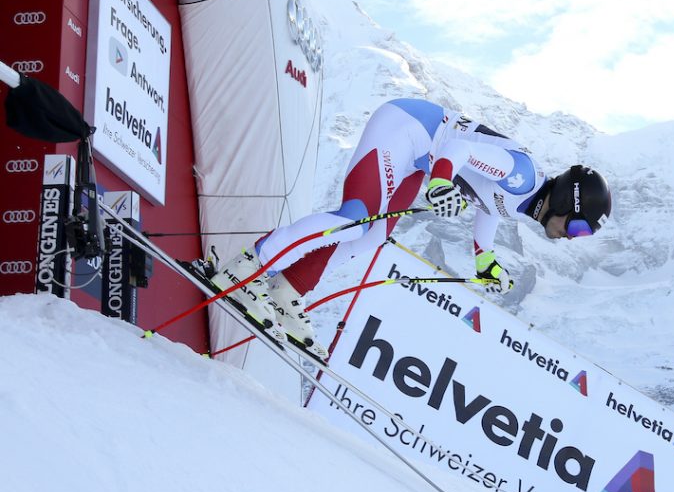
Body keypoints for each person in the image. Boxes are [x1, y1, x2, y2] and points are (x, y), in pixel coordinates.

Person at [208, 98, 612, 358]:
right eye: (577, 228)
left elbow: (488, 206)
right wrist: (441, 182)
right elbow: (460, 150)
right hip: (407, 129)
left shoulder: (524, 199)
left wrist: (484, 259)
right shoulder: (522, 177)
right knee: (355, 217)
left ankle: (287, 288)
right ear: (567, 202)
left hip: (417, 159)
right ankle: (248, 267)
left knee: (371, 234)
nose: (570, 237)